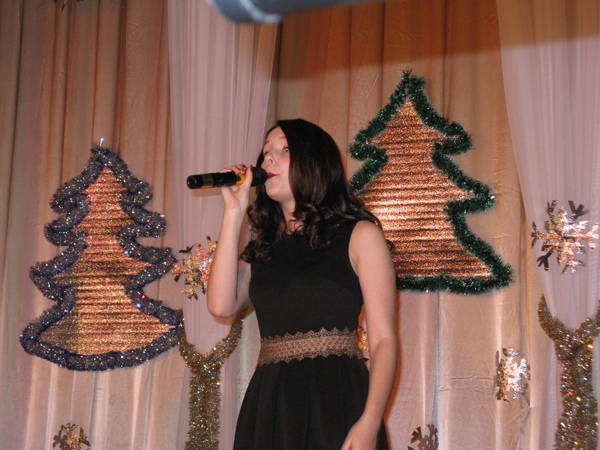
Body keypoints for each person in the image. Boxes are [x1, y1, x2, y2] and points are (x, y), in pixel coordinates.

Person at [206, 119, 397, 450]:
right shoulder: (265, 249)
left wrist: (369, 421)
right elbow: (220, 305)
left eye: (284, 149)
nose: (268, 158)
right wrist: (233, 212)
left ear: (315, 161)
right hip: (271, 405)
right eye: (265, 152)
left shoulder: (360, 236)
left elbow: (383, 341)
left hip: (336, 400)